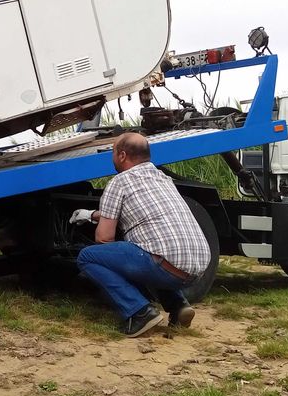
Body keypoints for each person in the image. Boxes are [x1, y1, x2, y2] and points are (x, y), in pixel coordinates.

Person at [70, 132, 210, 337]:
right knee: (150, 248)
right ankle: (178, 305)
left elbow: (104, 238)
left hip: (163, 265)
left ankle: (139, 312)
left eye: (113, 152)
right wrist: (90, 215)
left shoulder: (119, 182)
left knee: (89, 257)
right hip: (197, 268)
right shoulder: (163, 179)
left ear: (122, 155)